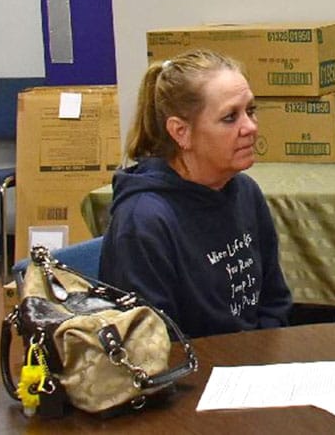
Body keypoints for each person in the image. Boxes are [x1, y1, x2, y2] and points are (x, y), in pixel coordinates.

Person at [100, 49, 292, 338]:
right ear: (181, 132)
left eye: (250, 111)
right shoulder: (144, 222)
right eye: (230, 117)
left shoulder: (244, 192)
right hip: (191, 375)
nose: (250, 127)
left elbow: (274, 302)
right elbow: (154, 346)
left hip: (250, 368)